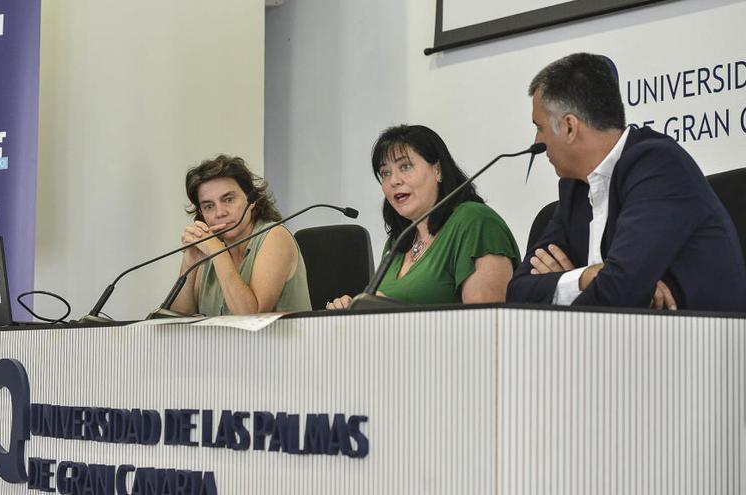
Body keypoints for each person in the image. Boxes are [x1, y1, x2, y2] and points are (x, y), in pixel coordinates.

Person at [506, 53, 746, 311]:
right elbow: (518, 292)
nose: (536, 143)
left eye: (539, 127)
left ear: (569, 127)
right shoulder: (574, 187)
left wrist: (571, 287)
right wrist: (585, 277)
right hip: (626, 343)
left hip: (705, 345)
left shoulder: (659, 167)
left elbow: (618, 292)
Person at [328, 125, 520, 309]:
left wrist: (394, 312)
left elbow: (484, 325)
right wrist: (353, 309)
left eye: (405, 166)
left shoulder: (476, 222)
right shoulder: (398, 241)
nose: (394, 180)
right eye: (385, 173)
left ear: (437, 170)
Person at [169, 155, 311, 316]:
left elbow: (249, 317)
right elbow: (177, 322)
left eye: (228, 199)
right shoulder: (208, 248)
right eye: (209, 206)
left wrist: (218, 253)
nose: (220, 213)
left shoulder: (276, 236)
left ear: (252, 200)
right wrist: (189, 264)